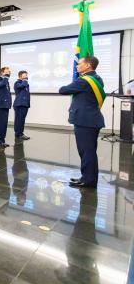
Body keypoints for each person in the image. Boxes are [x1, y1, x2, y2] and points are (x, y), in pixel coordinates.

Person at [59, 56, 105, 188]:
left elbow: (63, 90)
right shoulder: (97, 78)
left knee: (86, 152)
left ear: (88, 65)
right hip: (90, 120)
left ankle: (88, 181)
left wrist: (75, 81)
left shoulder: (85, 81)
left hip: (85, 121)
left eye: (79, 64)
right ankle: (87, 177)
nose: (76, 66)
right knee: (88, 151)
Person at [0, 67, 12, 148]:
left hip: (5, 105)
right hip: (0, 105)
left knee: (4, 124)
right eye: (7, 72)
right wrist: (5, 77)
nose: (9, 73)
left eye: (9, 72)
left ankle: (2, 140)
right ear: (2, 73)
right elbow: (1, 85)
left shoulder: (6, 81)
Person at [14, 70, 31, 140]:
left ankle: (21, 133)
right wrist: (24, 80)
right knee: (19, 120)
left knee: (22, 120)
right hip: (19, 104)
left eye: (27, 75)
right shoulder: (17, 83)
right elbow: (21, 86)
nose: (27, 76)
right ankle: (18, 134)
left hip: (25, 104)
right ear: (20, 76)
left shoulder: (26, 83)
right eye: (25, 75)